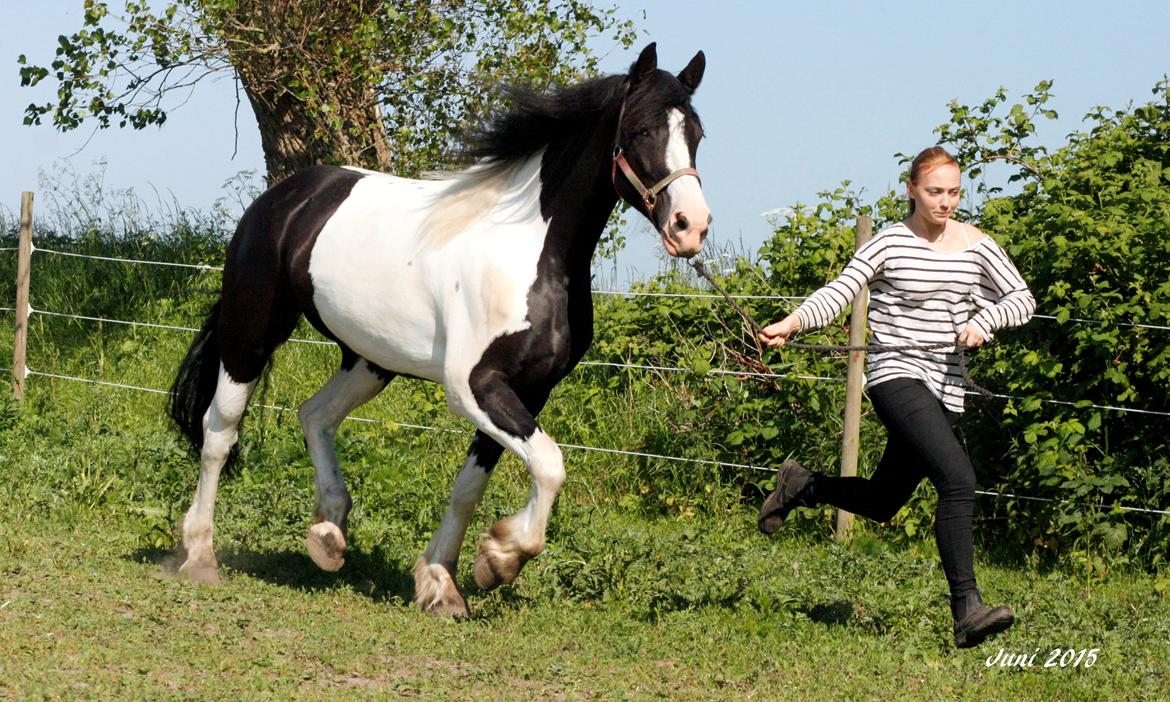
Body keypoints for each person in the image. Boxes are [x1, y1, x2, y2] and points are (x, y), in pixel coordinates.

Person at [755, 146, 1036, 649]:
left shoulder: (977, 244)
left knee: (885, 501)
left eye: (953, 192)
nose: (945, 202)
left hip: (946, 385)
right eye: (934, 192)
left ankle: (802, 487)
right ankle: (966, 609)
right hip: (896, 375)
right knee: (958, 480)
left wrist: (983, 320)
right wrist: (793, 323)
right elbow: (842, 290)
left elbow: (1022, 298)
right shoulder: (890, 243)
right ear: (911, 190)